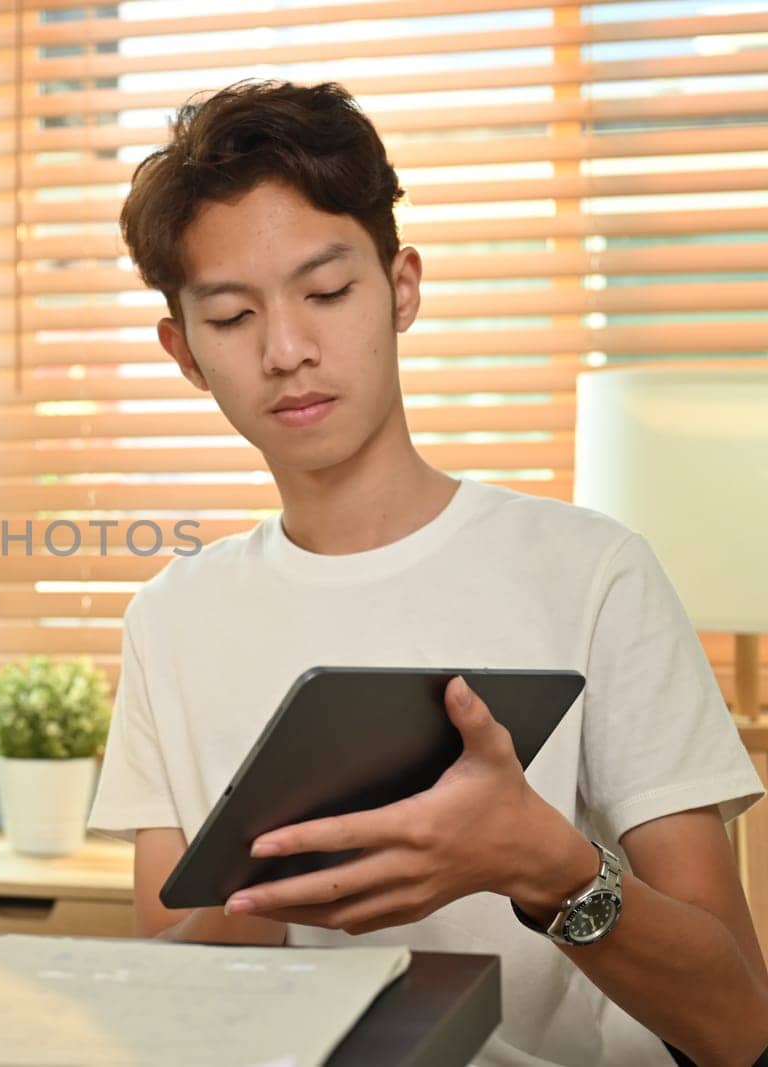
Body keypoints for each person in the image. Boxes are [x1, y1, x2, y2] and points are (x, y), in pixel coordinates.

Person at [87, 81, 768, 1065]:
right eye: (232, 316)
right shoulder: (170, 618)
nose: (287, 350)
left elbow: (738, 1022)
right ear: (182, 351)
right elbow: (180, 985)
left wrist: (546, 866)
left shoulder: (592, 573)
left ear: (401, 286)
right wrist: (265, 890)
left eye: (327, 292)